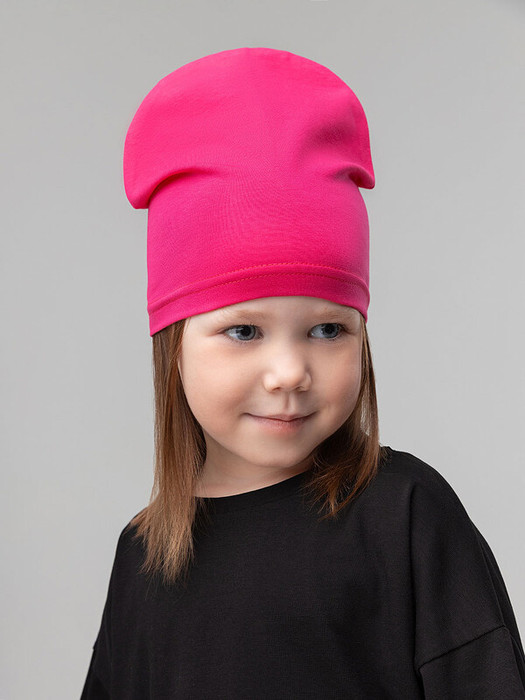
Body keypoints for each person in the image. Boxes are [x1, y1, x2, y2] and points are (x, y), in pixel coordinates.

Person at [80, 47, 525, 699]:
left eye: (326, 330)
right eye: (243, 331)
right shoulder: (142, 557)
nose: (289, 372)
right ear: (171, 346)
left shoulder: (405, 515)